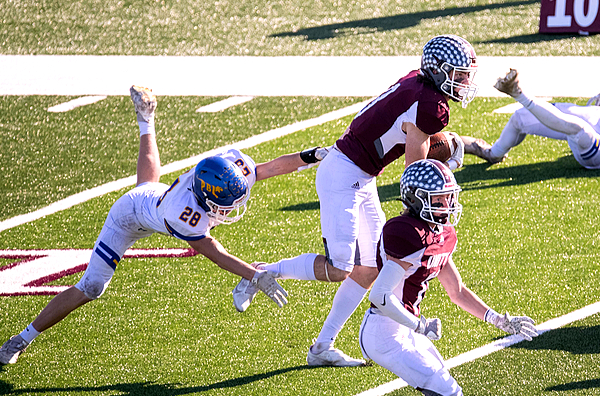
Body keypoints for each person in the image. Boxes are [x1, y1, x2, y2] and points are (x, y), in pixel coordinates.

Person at [0, 85, 329, 365]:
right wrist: (255, 275)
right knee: (92, 287)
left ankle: (146, 119)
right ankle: (21, 339)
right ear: (205, 196)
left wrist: (313, 155)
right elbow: (214, 252)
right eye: (225, 203)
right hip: (129, 218)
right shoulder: (182, 213)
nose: (232, 208)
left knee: (147, 187)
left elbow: (270, 167)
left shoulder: (227, 173)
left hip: (152, 202)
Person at [231, 34, 479, 367]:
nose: (464, 82)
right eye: (459, 74)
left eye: (466, 75)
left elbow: (403, 129)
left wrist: (445, 145)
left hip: (360, 175)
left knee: (369, 269)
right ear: (437, 71)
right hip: (344, 174)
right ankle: (258, 273)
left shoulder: (418, 85)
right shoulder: (430, 107)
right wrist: (443, 162)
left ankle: (321, 348)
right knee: (339, 267)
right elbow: (414, 172)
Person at [359, 158, 539, 395]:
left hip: (406, 329)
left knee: (446, 384)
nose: (448, 204)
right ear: (416, 199)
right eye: (439, 199)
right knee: (448, 391)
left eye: (449, 197)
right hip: (383, 332)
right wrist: (420, 325)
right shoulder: (407, 233)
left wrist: (498, 320)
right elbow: (380, 295)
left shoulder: (441, 235)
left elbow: (458, 291)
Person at [462, 68, 600, 169]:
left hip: (595, 150)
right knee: (521, 118)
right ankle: (494, 153)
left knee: (578, 129)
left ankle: (518, 93)